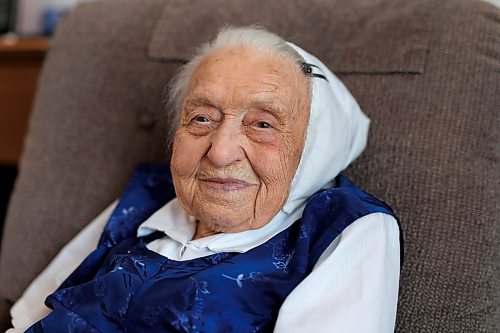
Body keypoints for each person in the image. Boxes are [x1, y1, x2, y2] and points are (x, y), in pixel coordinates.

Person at [7, 26, 402, 332]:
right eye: (202, 119)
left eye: (262, 124)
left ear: (316, 147)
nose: (221, 151)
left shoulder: (345, 228)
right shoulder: (148, 198)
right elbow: (30, 316)